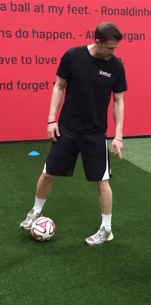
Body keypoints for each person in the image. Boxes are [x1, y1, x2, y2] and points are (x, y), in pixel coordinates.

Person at [20, 22, 128, 246]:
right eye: (110, 47)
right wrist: (52, 119)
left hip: (96, 133)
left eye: (115, 48)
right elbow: (59, 86)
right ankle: (35, 213)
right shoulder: (72, 56)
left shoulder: (116, 66)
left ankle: (106, 228)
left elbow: (118, 101)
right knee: (48, 173)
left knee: (102, 181)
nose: (113, 52)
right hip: (67, 129)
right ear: (98, 42)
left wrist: (118, 135)